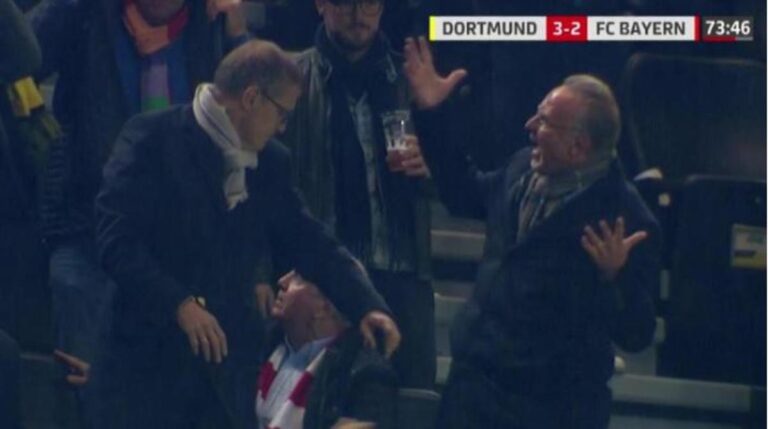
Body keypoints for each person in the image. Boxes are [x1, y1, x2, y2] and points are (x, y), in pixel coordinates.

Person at [89, 40, 400, 429]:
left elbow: (309, 240)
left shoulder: (270, 163)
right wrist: (178, 303)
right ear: (252, 98)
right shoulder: (151, 137)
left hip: (218, 381)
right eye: (282, 113)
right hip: (143, 369)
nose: (283, 127)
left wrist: (366, 304)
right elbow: (116, 241)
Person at [404, 37, 660, 428]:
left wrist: (615, 277)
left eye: (544, 122)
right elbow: (461, 193)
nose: (529, 127)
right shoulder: (522, 169)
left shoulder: (625, 218)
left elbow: (638, 334)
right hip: (472, 395)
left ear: (578, 147)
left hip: (550, 412)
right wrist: (433, 112)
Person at [27, 0, 253, 384]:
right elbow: (19, 54)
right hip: (87, 234)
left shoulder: (211, 23)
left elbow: (251, 117)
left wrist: (236, 34)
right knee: (85, 380)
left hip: (174, 247)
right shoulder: (86, 15)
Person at [278, 0, 436, 388]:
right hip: (325, 274)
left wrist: (430, 163)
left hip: (401, 265)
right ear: (321, 5)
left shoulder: (407, 77)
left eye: (369, 4)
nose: (359, 16)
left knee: (410, 397)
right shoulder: (294, 77)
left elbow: (455, 180)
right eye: (346, 3)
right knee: (317, 400)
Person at [256, 270, 396, 429]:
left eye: (299, 279)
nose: (282, 281)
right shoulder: (263, 344)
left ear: (325, 307)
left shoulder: (365, 373)